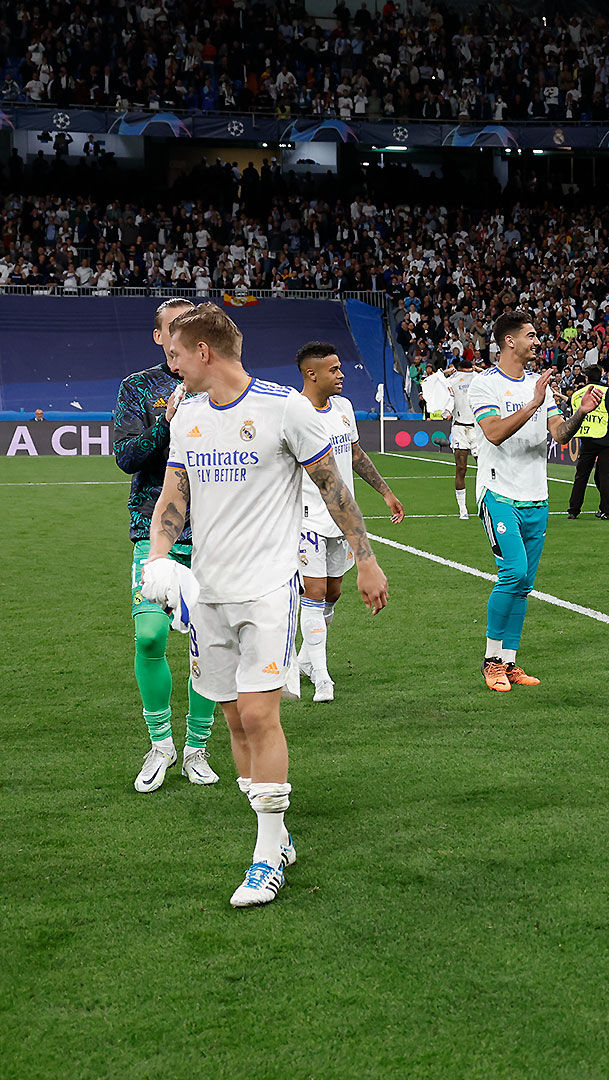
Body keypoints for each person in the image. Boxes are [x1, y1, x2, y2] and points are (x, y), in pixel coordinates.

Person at [143, 303, 389, 907]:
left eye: (178, 353)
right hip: (209, 592)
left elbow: (333, 487)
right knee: (232, 719)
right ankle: (274, 837)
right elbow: (174, 498)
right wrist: (157, 557)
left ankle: (266, 851)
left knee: (259, 715)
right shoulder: (190, 418)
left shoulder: (285, 408)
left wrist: (365, 559)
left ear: (204, 351)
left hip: (270, 588)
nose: (172, 366)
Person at [111, 297, 218, 792]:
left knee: (209, 645)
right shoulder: (138, 387)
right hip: (153, 530)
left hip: (215, 533)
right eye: (173, 329)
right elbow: (127, 457)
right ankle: (160, 745)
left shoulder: (219, 383)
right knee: (150, 636)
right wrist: (164, 424)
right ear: (159, 336)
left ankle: (197, 749)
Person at [470, 311, 601, 692]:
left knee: (524, 583)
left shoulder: (537, 384)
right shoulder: (485, 385)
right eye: (530, 335)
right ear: (509, 341)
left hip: (536, 497)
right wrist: (532, 404)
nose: (537, 341)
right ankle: (491, 660)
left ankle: (510, 663)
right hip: (499, 493)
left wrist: (580, 413)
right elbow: (493, 433)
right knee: (511, 572)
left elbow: (560, 434)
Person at [290, 342, 404, 703]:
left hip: (342, 519)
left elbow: (354, 453)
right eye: (334, 369)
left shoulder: (343, 408)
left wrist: (384, 491)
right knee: (315, 593)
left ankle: (304, 660)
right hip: (305, 518)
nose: (341, 375)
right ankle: (322, 677)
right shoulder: (292, 413)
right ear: (312, 374)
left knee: (334, 593)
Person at [565, 365, 609, 519]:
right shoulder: (608, 393)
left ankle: (573, 510)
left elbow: (574, 410)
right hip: (606, 440)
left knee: (581, 476)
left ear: (587, 378)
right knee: (605, 477)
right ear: (601, 376)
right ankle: (608, 511)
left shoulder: (577, 394)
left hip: (586, 439)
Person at [446, 355, 478, 519]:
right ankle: (462, 509)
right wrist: (446, 372)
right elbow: (430, 383)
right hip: (459, 427)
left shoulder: (479, 378)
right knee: (461, 468)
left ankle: (483, 503)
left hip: (477, 429)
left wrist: (479, 370)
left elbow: (497, 375)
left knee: (485, 467)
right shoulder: (451, 381)